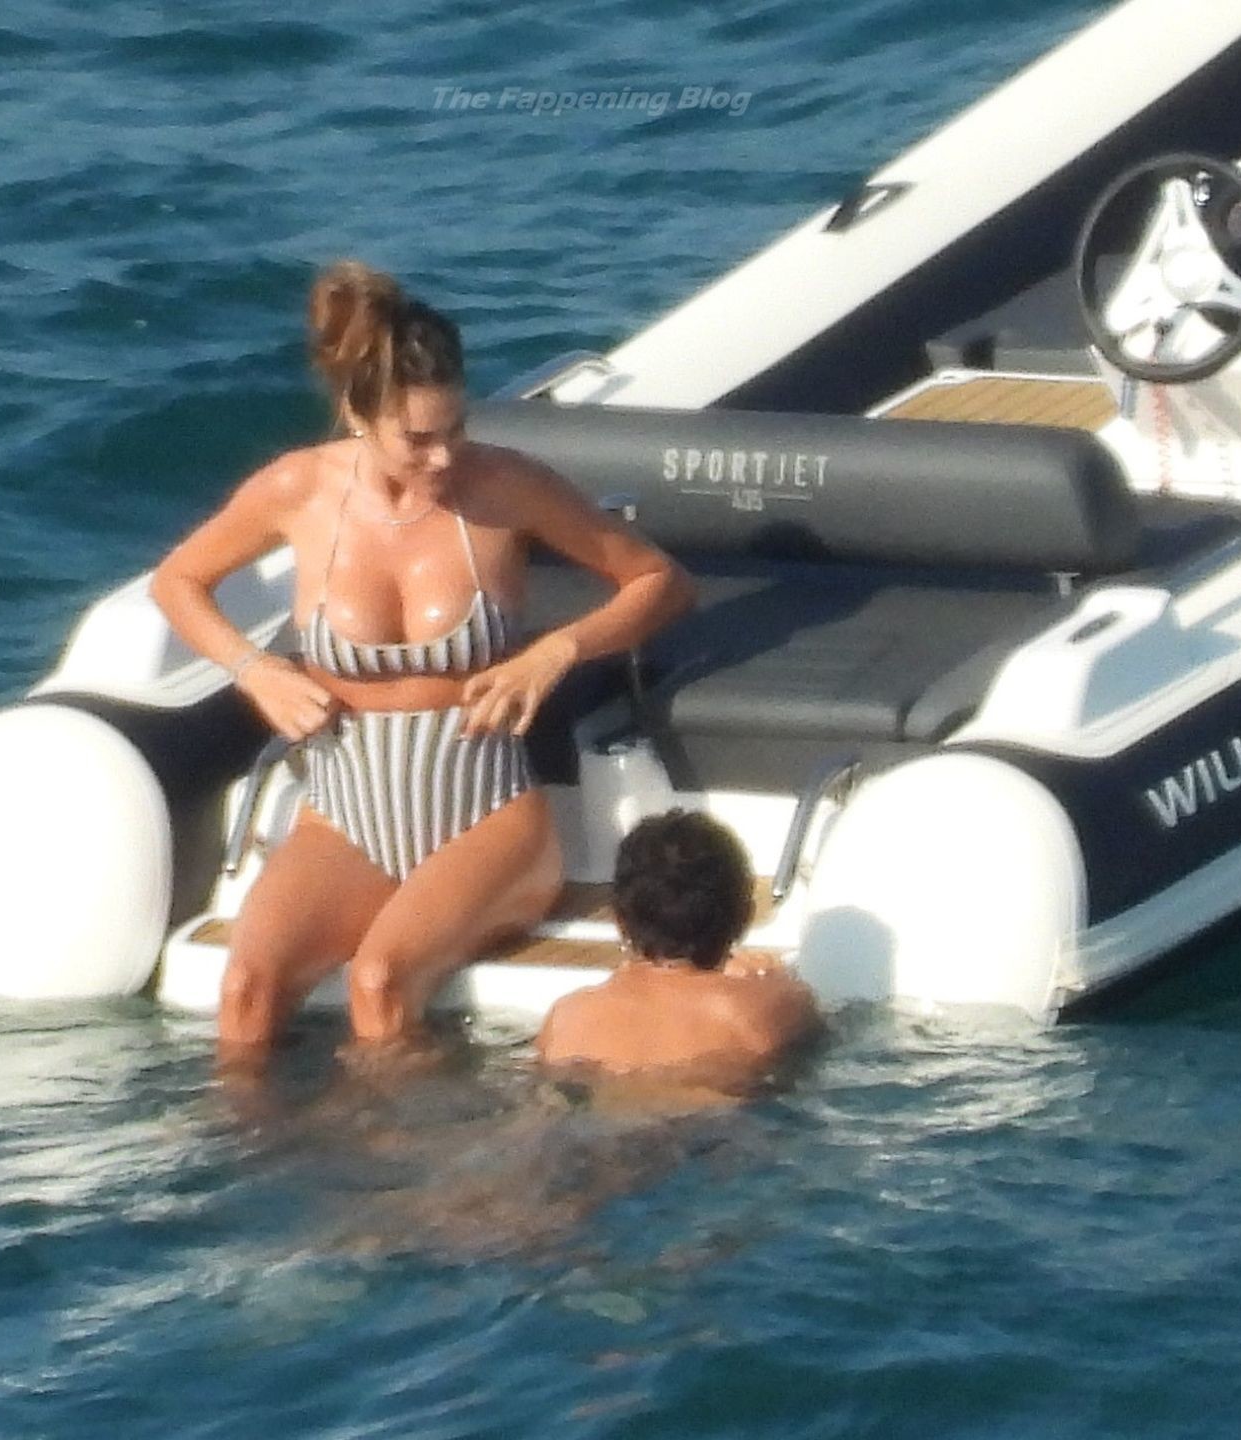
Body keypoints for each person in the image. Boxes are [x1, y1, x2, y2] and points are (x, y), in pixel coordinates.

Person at [151, 260, 693, 1066]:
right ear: (357, 416)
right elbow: (177, 582)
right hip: (343, 810)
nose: (443, 458)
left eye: (456, 430)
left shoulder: (508, 487)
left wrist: (557, 650)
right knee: (246, 991)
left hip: (486, 813)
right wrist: (253, 668)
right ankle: (242, 1143)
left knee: (379, 984)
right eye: (418, 439)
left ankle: (414, 1145)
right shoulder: (297, 489)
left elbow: (659, 581)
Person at [536, 809, 821, 1098]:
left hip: (584, 1120)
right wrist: (771, 979)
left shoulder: (567, 1017)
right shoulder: (765, 1008)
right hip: (715, 1123)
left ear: (618, 920)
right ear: (745, 916)